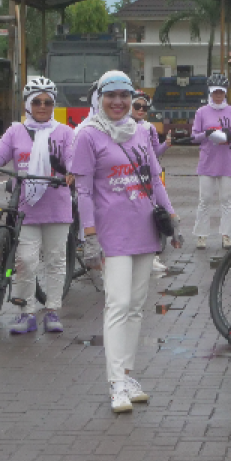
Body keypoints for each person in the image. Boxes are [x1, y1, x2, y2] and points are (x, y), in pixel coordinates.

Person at [71, 70, 182, 413]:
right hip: (111, 235)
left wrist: (172, 217)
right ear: (98, 98)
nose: (118, 103)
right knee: (117, 305)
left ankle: (128, 375)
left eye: (124, 96)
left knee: (135, 307)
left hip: (144, 231)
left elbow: (155, 181)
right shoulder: (87, 135)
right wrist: (89, 236)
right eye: (111, 96)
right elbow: (84, 190)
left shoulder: (139, 133)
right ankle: (116, 383)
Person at [0, 77, 74, 335]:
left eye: (48, 102)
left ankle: (52, 310)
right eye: (37, 102)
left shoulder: (64, 132)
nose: (43, 106)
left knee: (55, 260)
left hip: (57, 206)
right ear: (28, 104)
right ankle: (26, 312)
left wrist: (70, 171)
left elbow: (75, 163)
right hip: (25, 207)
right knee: (25, 261)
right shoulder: (15, 132)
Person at [191, 72, 231, 249]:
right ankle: (201, 235)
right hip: (207, 161)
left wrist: (230, 136)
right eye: (215, 92)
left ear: (225, 93)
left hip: (227, 161)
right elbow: (194, 137)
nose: (218, 96)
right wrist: (206, 134)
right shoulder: (202, 112)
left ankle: (226, 235)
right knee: (204, 199)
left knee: (226, 200)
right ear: (210, 93)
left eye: (221, 92)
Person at [131, 90, 172, 276]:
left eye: (144, 108)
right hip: (129, 177)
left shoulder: (149, 128)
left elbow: (155, 152)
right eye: (137, 106)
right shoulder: (121, 126)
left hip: (149, 175)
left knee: (153, 212)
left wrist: (166, 145)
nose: (141, 110)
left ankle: (152, 255)